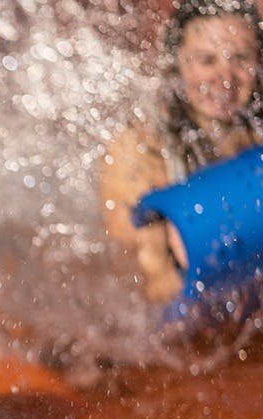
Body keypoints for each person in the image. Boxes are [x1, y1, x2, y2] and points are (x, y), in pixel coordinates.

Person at [99, 0, 263, 303]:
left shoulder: (255, 132)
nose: (225, 77)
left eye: (240, 58)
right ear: (177, 63)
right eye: (206, 60)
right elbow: (147, 283)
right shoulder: (142, 150)